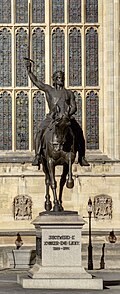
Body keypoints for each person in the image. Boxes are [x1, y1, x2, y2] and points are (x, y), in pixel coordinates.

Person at [25, 61, 89, 167]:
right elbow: (36, 82)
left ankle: (82, 157)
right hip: (52, 118)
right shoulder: (49, 90)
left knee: (79, 133)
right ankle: (37, 155)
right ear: (54, 80)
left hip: (66, 117)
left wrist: (68, 113)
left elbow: (74, 107)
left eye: (62, 77)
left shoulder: (69, 93)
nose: (61, 79)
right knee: (40, 131)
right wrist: (29, 71)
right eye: (59, 78)